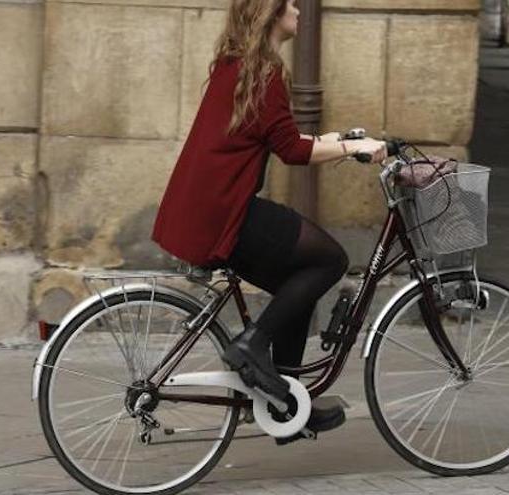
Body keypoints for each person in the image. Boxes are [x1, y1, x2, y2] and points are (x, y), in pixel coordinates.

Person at [151, 0, 387, 444]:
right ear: (272, 14)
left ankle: (284, 399)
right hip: (226, 213)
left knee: (296, 284)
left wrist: (339, 140)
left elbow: (277, 135)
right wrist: (350, 149)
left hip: (205, 208)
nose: (298, 10)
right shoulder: (265, 74)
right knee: (328, 260)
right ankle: (251, 348)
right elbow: (292, 152)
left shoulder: (237, 64)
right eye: (291, 5)